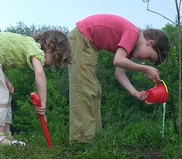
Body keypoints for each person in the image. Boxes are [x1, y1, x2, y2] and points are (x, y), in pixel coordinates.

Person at [68, 14, 171, 143]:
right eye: (150, 57)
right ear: (150, 43)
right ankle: (81, 140)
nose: (144, 61)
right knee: (84, 89)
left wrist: (135, 93)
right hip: (82, 40)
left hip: (89, 45)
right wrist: (145, 69)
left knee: (95, 91)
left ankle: (93, 136)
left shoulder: (130, 47)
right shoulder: (132, 33)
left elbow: (119, 73)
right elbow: (118, 61)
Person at [0, 30, 72, 146]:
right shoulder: (35, 49)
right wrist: (43, 103)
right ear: (50, 47)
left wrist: (6, 80)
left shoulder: (26, 44)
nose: (51, 65)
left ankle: (6, 136)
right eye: (54, 60)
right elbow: (40, 74)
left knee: (4, 93)